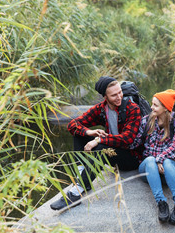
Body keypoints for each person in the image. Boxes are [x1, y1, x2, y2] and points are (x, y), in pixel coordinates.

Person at [50, 76, 142, 211]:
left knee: (100, 148)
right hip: (112, 152)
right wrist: (90, 133)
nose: (119, 97)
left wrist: (98, 139)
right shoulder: (101, 109)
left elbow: (127, 139)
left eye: (120, 92)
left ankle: (77, 190)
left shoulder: (132, 108)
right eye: (114, 95)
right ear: (105, 97)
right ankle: (80, 177)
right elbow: (72, 125)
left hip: (130, 158)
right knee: (79, 134)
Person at [130, 89, 175, 225]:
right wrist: (111, 139)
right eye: (152, 104)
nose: (151, 107)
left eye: (155, 105)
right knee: (149, 160)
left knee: (167, 161)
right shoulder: (146, 121)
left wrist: (160, 159)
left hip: (171, 168)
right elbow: (134, 143)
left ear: (165, 108)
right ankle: (162, 203)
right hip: (149, 170)